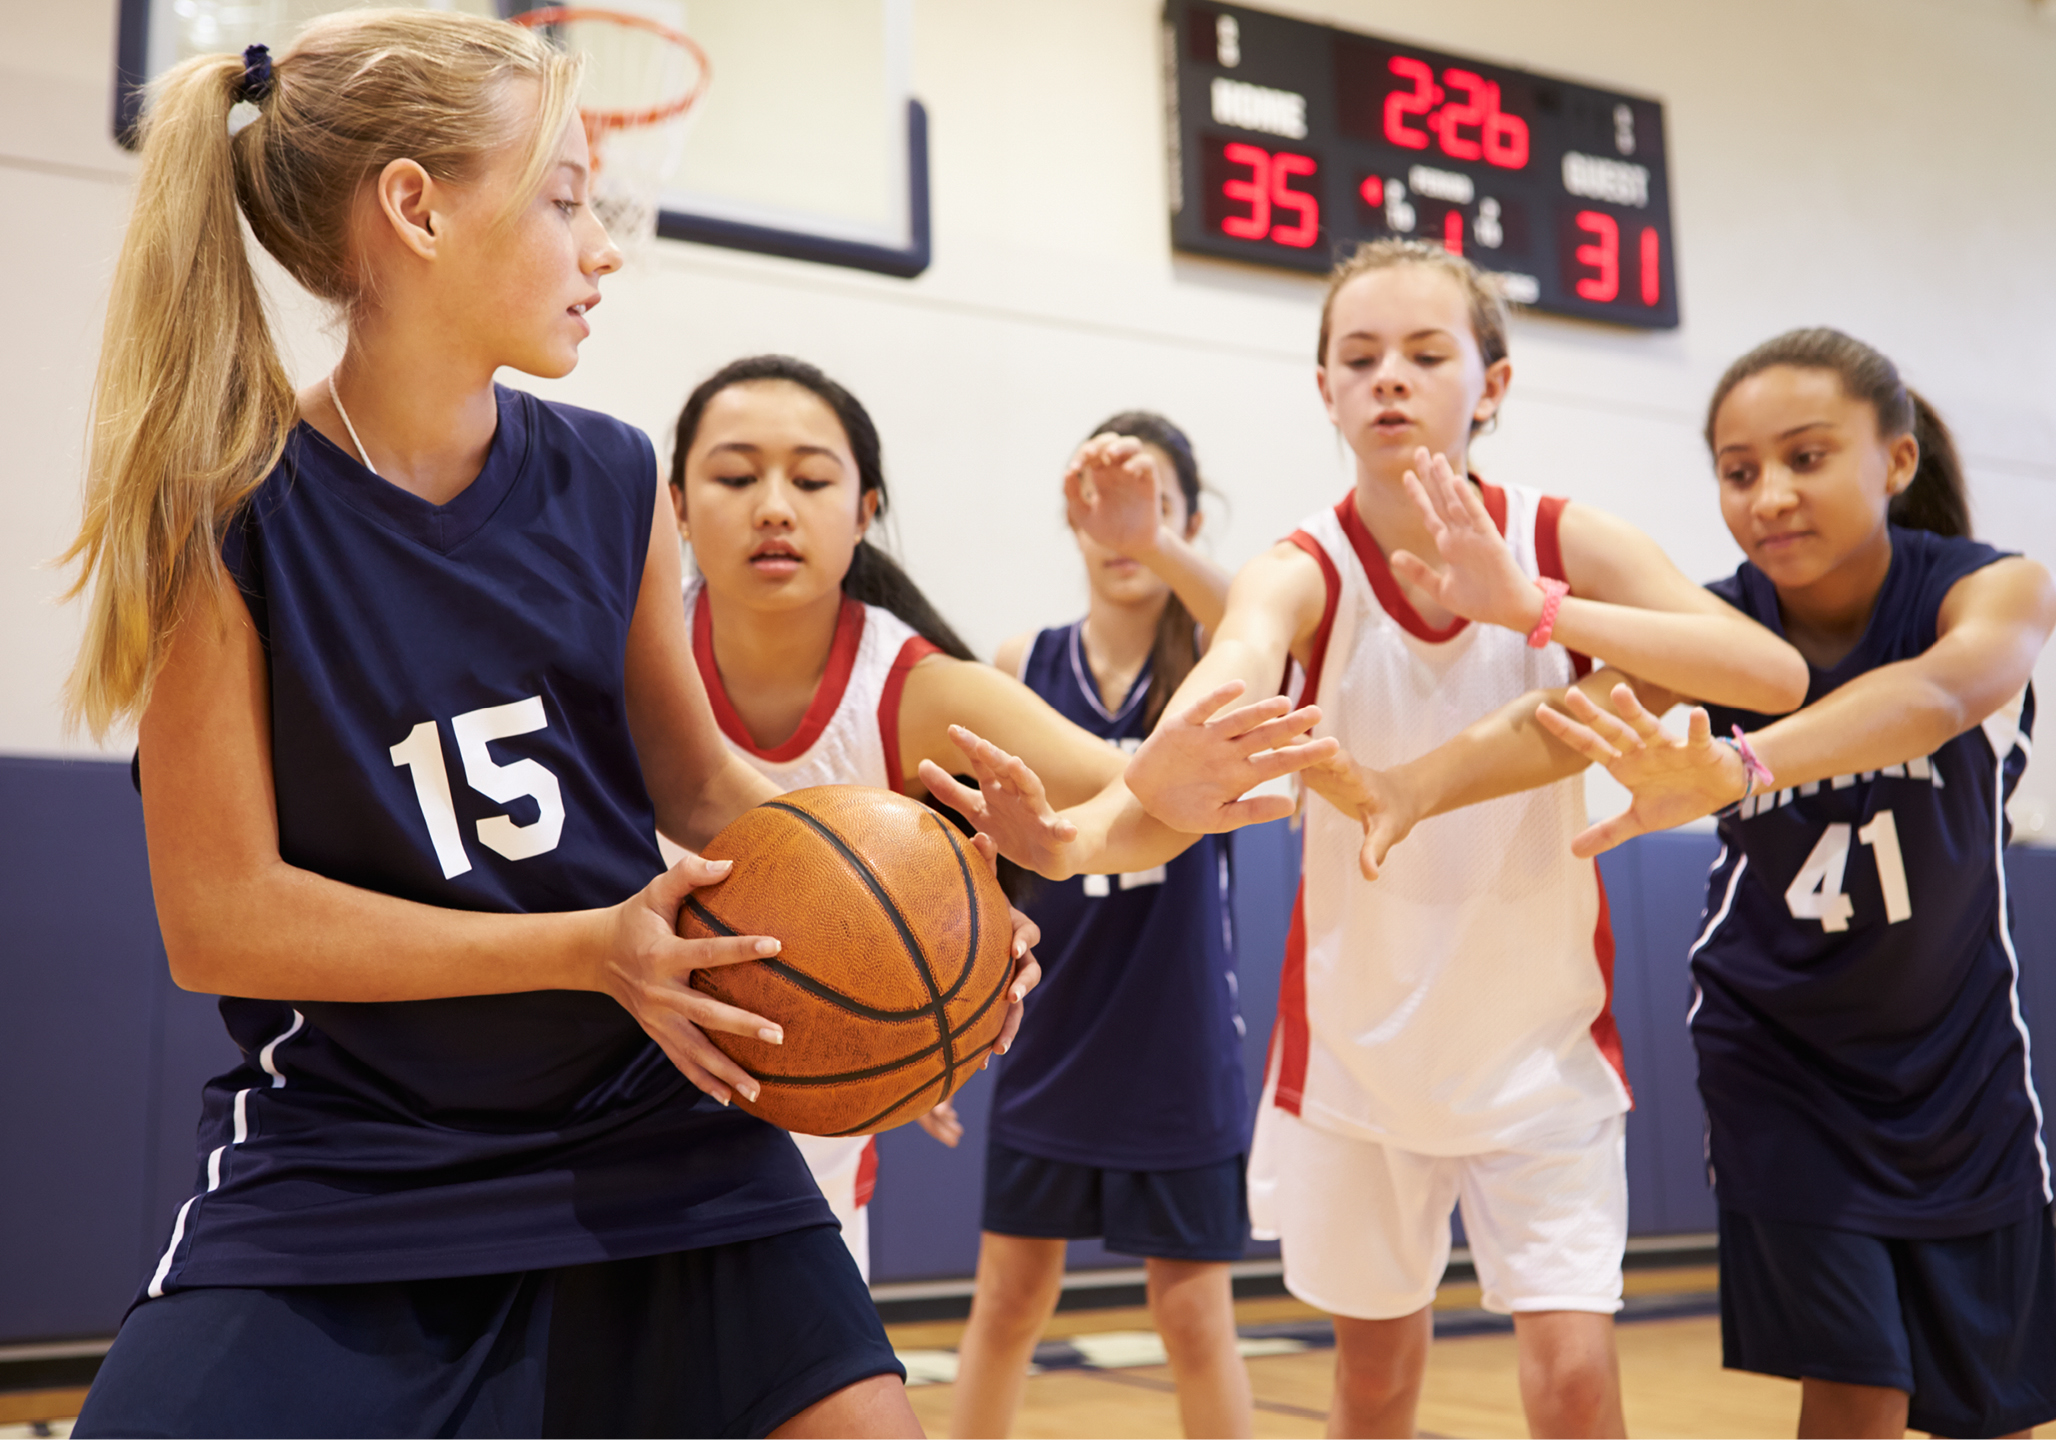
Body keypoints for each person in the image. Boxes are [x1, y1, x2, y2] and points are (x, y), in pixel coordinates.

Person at [57, 16, 1045, 1436]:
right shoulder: (225, 512)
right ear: (417, 210)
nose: (603, 249)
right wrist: (588, 948)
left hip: (647, 1118)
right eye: (565, 200)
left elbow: (697, 784)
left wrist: (937, 903)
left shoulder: (614, 476)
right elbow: (224, 923)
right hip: (352, 1155)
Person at [935, 238, 1810, 1439]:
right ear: (1325, 391)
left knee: (1570, 1381)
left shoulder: (1563, 539)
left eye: (1425, 353)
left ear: (1491, 385)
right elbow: (1239, 658)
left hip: (1540, 1051)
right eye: (1359, 357)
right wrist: (1097, 820)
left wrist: (1532, 607)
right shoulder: (1304, 566)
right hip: (1358, 1061)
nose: (1389, 375)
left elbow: (1769, 669)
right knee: (1374, 1383)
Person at [665, 356, 1321, 1305]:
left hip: (804, 1144)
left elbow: (1142, 803)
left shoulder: (916, 687)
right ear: (676, 507)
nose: (774, 507)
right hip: (611, 1109)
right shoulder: (624, 650)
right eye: (734, 476)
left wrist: (939, 982)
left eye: (810, 479)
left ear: (865, 508)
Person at [1530, 328, 2056, 1440]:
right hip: (1779, 1057)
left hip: (1959, 1064)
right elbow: (1549, 723)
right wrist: (1405, 784)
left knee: (2000, 1413)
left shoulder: (1991, 590)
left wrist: (1740, 764)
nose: (1768, 495)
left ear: (1897, 460)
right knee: (1857, 1389)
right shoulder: (1717, 630)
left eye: (1805, 458)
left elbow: (1937, 696)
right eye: (1738, 471)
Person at [949, 413, 1255, 1440]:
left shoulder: (1219, 660)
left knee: (1194, 1317)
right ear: (1070, 519)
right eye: (1101, 504)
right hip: (1053, 1033)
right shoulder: (1019, 662)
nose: (1123, 527)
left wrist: (1154, 542)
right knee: (1006, 1302)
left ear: (1190, 522)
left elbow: (1268, 621)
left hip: (1179, 1043)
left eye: (1151, 503)